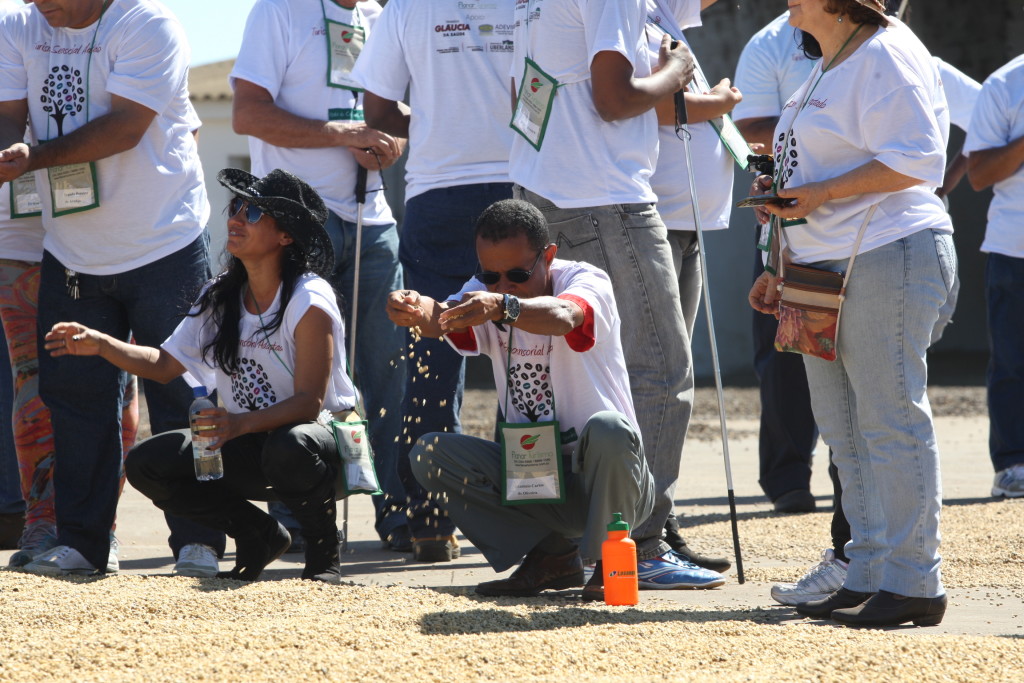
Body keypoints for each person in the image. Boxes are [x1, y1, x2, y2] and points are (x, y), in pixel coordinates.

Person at [766, 0, 981, 607]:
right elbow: (808, 168)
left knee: (889, 420)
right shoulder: (825, 60)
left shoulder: (887, 49)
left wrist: (820, 193)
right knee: (843, 429)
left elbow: (918, 158)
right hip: (818, 268)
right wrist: (776, 257)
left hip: (890, 252)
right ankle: (865, 573)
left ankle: (914, 581)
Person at [0, 0, 224, 576]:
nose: (38, 3)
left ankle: (199, 536)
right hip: (71, 251)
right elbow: (8, 115)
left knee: (182, 394)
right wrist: (6, 149)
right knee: (75, 399)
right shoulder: (19, 24)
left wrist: (33, 158)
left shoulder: (148, 24)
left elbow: (126, 128)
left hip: (164, 243)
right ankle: (83, 542)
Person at [507, 0, 724, 590]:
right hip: (604, 201)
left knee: (572, 378)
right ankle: (638, 547)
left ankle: (563, 547)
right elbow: (613, 98)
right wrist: (675, 73)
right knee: (659, 372)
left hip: (548, 191)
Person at [47, 169, 354, 584]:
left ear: (286, 236)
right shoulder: (222, 294)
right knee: (148, 464)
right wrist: (103, 344)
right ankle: (259, 534)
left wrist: (238, 424)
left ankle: (323, 558)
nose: (236, 218)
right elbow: (163, 364)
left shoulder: (309, 300)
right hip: (251, 442)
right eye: (236, 207)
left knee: (290, 444)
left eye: (254, 212)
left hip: (320, 448)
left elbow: (309, 404)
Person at [390, 199, 670, 599]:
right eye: (490, 274)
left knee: (609, 430)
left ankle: (612, 562)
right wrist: (416, 309)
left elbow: (565, 316)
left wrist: (503, 306)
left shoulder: (587, 280)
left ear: (548, 256)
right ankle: (552, 557)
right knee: (430, 454)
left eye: (518, 274)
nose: (504, 285)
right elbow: (445, 317)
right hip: (536, 475)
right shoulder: (485, 294)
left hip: (612, 482)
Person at [230, 0, 407, 554]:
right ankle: (297, 518)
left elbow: (396, 117)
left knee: (388, 372)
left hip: (373, 216)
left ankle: (398, 514)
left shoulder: (383, 16)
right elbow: (247, 115)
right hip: (300, 220)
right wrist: (342, 135)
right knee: (294, 370)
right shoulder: (278, 11)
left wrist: (390, 144)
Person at [351, 0, 516, 560]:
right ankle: (527, 508)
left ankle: (429, 520)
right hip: (519, 183)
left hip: (436, 192)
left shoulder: (405, 8)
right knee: (525, 353)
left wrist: (440, 122)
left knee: (431, 347)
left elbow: (377, 107)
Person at [644, 0, 736, 574]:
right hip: (662, 222)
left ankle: (661, 517)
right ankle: (649, 525)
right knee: (663, 379)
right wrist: (723, 102)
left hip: (688, 225)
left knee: (673, 378)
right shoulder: (644, 19)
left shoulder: (669, 21)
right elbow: (659, 106)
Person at [733, 9, 821, 515]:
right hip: (786, 226)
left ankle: (853, 485)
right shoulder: (770, 43)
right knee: (783, 350)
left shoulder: (885, 42)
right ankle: (788, 478)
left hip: (856, 223)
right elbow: (753, 131)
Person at [965, 53, 1024, 499]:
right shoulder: (1003, 85)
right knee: (1011, 361)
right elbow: (980, 174)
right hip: (1014, 247)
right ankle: (1012, 465)